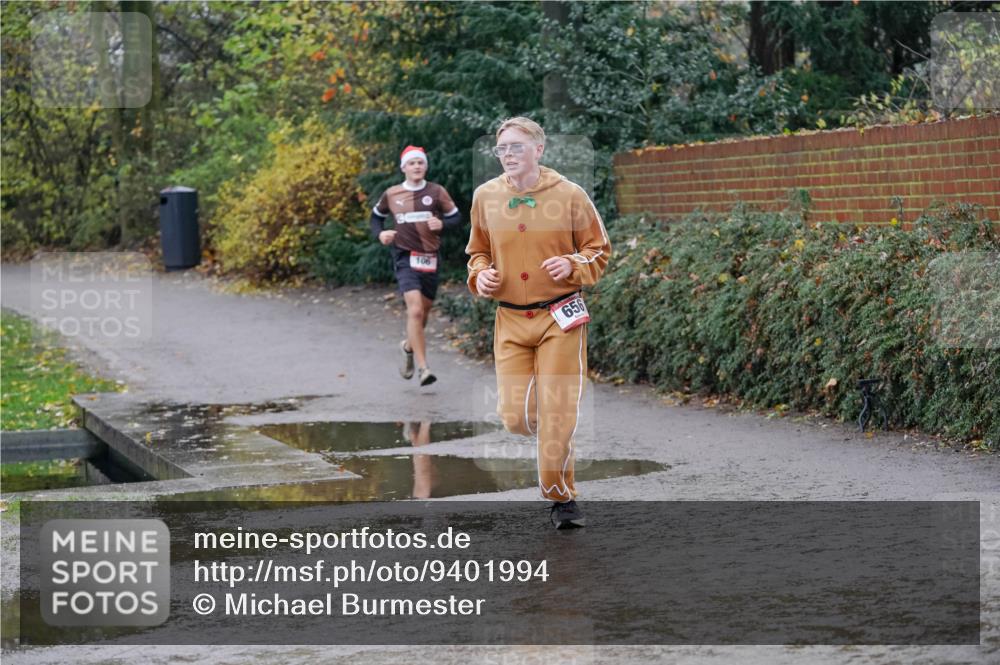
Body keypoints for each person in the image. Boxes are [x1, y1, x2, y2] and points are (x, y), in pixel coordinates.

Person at [465, 117, 611, 529]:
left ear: (539, 150)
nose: (508, 155)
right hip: (510, 320)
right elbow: (476, 252)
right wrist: (481, 275)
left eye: (516, 147)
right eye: (502, 149)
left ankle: (561, 498)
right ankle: (555, 441)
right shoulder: (485, 196)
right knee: (516, 417)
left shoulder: (569, 195)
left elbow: (598, 250)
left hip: (559, 317)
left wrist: (572, 262)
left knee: (557, 411)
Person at [371, 146, 462, 387]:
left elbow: (456, 217)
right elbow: (376, 217)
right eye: (411, 163)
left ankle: (408, 347)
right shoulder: (392, 193)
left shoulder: (436, 191)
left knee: (423, 315)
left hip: (430, 257)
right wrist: (381, 234)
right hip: (404, 257)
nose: (417, 167)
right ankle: (424, 369)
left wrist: (441, 223)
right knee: (415, 311)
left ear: (426, 166)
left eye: (420, 163)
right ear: (403, 168)